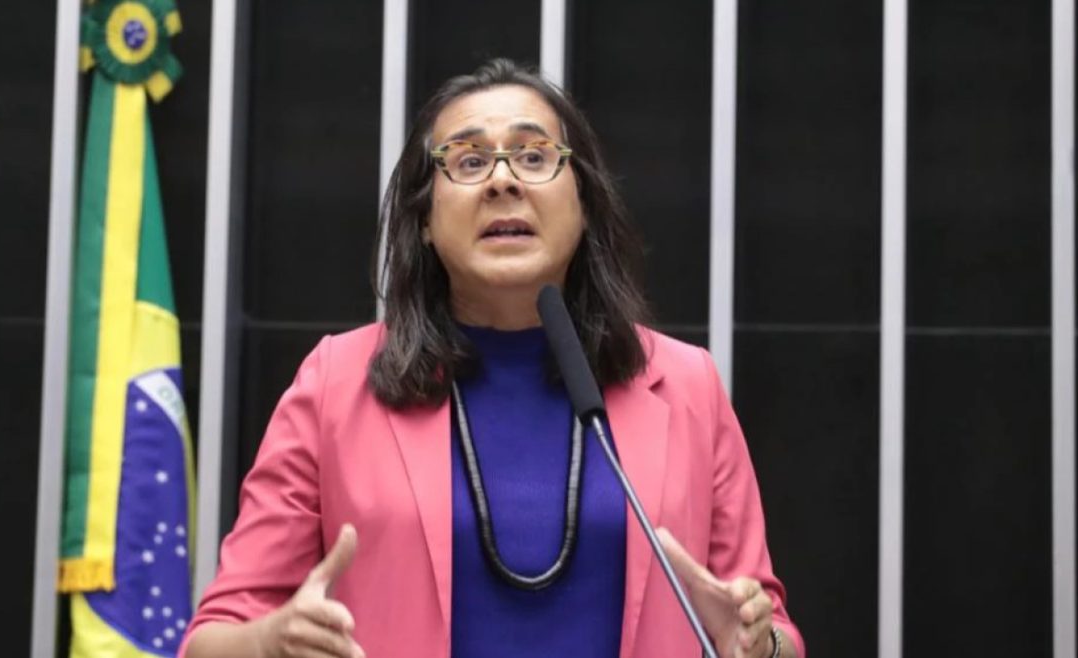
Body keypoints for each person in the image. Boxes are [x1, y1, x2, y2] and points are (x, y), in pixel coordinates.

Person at [181, 59, 804, 658]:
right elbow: (213, 638)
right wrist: (271, 641)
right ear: (424, 217)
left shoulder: (685, 384)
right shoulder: (335, 384)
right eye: (470, 160)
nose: (503, 180)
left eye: (534, 157)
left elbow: (770, 629)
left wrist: (754, 640)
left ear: (583, 204)